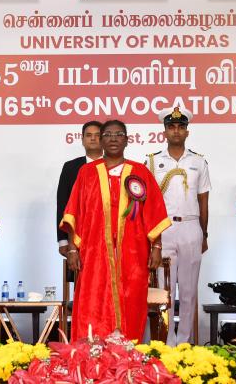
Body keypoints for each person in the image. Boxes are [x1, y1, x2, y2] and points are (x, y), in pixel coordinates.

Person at [61, 119, 170, 341]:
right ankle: (90, 352)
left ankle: (128, 353)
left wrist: (156, 246)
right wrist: (73, 249)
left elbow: (154, 212)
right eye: (108, 134)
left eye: (118, 134)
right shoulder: (87, 173)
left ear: (127, 140)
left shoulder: (140, 172)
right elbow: (74, 212)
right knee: (92, 300)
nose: (113, 138)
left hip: (132, 252)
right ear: (101, 140)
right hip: (93, 253)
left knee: (131, 300)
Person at [146, 107, 210, 346]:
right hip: (164, 230)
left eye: (180, 127)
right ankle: (166, 341)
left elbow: (203, 201)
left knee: (188, 290)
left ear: (187, 131)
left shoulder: (198, 161)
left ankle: (185, 342)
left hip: (191, 228)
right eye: (171, 127)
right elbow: (148, 203)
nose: (176, 131)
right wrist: (152, 238)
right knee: (165, 291)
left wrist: (204, 234)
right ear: (164, 131)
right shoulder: (152, 161)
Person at [57, 120, 103, 257]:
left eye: (97, 135)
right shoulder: (70, 167)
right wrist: (63, 240)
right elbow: (62, 203)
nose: (93, 138)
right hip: (78, 237)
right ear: (82, 140)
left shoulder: (114, 165)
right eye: (89, 135)